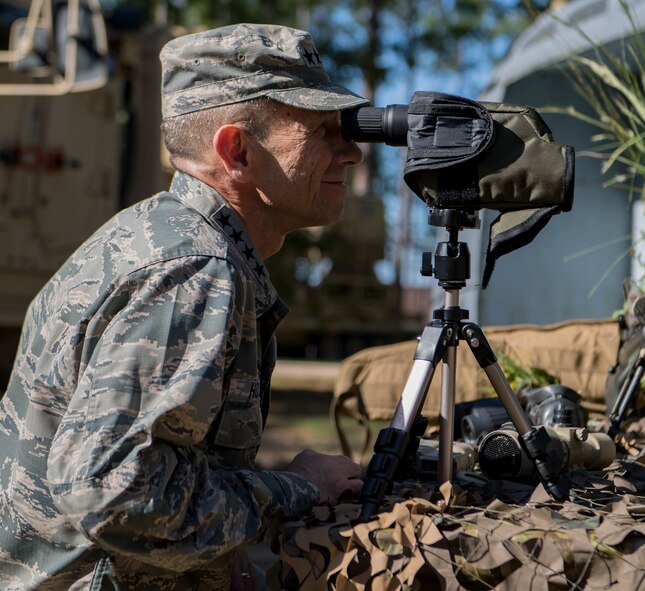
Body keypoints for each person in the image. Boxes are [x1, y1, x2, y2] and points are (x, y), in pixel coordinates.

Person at [0, 24, 369, 590]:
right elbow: (113, 493)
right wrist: (297, 489)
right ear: (237, 152)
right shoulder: (194, 269)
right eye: (321, 130)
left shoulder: (164, 235)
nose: (352, 152)